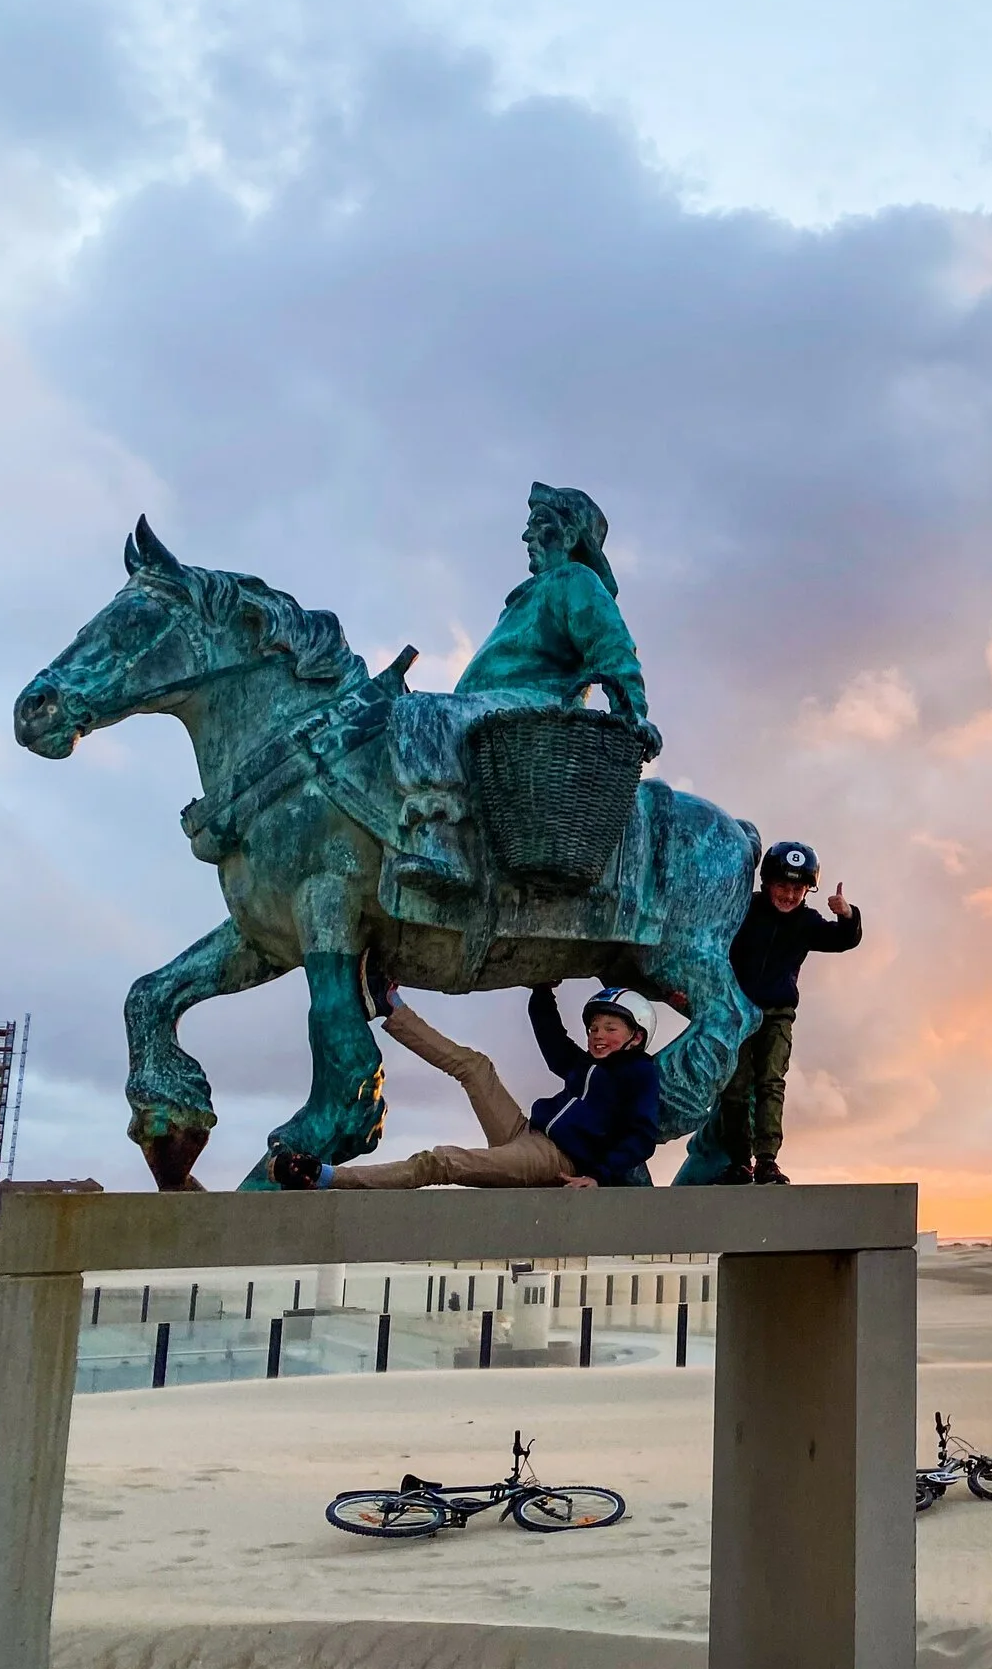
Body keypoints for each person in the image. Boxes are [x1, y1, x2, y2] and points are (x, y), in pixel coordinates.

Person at [391, 483, 662, 895]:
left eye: (539, 524)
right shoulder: (529, 596)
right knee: (411, 714)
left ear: (569, 537)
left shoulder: (575, 580)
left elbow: (613, 648)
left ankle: (444, 849)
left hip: (535, 713)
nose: (526, 536)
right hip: (493, 713)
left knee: (420, 714)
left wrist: (633, 712)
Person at [278, 962, 661, 1188]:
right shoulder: (586, 1067)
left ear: (636, 1037)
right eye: (594, 1027)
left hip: (553, 1160)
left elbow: (642, 1136)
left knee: (441, 1161)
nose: (598, 1035)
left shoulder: (639, 1074)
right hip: (525, 1131)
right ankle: (390, 1007)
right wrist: (543, 990)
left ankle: (326, 1177)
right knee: (476, 1066)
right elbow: (552, 1039)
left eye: (611, 1028)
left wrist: (599, 1175)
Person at [714, 840, 862, 1183]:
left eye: (798, 888)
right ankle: (738, 1161)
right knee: (733, 1086)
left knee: (770, 1082)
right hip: (736, 1009)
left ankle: (766, 1160)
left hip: (778, 1013)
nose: (788, 894)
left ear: (808, 890)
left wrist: (848, 914)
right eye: (782, 885)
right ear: (765, 883)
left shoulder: (807, 922)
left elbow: (841, 940)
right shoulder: (743, 910)